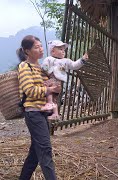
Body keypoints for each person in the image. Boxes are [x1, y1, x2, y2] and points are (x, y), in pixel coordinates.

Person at [17, 35, 60, 180]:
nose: (41, 49)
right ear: (27, 51)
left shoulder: (41, 68)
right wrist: (49, 90)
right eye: (37, 47)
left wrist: (55, 88)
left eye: (41, 46)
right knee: (45, 149)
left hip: (43, 112)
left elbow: (51, 87)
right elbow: (29, 91)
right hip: (33, 113)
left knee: (36, 153)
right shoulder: (24, 66)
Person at [41, 40, 88, 120]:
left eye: (64, 50)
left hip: (57, 82)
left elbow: (74, 65)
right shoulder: (48, 59)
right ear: (53, 51)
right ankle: (54, 113)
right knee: (52, 98)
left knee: (50, 95)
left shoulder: (66, 61)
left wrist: (82, 60)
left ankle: (51, 109)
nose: (63, 51)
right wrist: (45, 69)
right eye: (60, 49)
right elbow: (44, 67)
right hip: (50, 79)